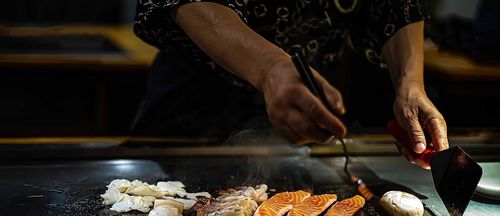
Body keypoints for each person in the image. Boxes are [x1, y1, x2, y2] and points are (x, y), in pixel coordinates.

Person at [131, 0, 448, 169]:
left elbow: (396, 6)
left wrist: (410, 85)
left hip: (306, 107)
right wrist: (270, 68)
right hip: (195, 103)